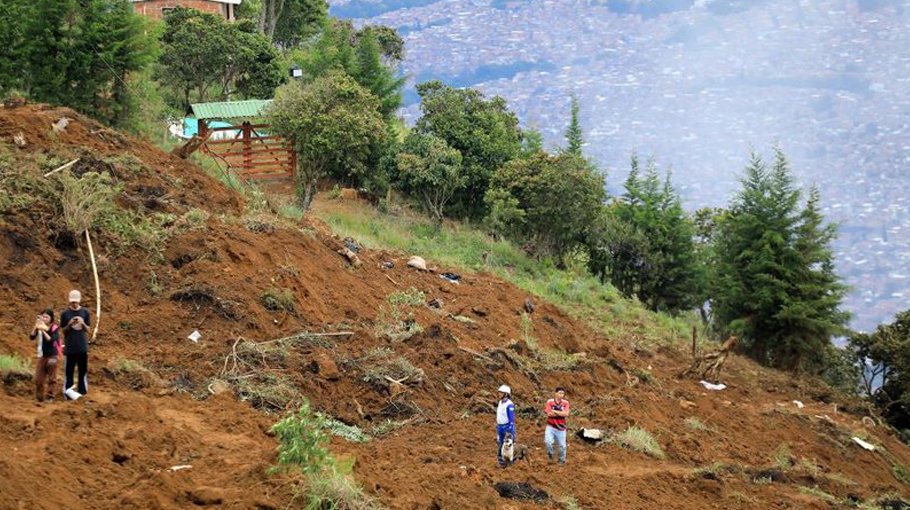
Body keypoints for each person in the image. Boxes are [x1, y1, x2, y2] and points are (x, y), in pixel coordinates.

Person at [60, 290, 90, 400]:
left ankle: (82, 393)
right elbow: (63, 331)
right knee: (69, 372)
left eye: (76, 302)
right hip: (70, 348)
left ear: (79, 300)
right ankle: (68, 393)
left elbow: (88, 329)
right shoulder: (65, 314)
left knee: (82, 372)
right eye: (72, 302)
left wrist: (82, 324)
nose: (74, 303)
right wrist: (69, 324)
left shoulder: (85, 312)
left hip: (82, 347)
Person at [29, 309, 60, 402]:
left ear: (51, 318)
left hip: (52, 355)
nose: (44, 318)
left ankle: (50, 396)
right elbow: (31, 337)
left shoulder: (54, 327)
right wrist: (36, 327)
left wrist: (43, 330)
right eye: (43, 316)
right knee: (39, 378)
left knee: (52, 377)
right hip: (42, 356)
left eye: (47, 317)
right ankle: (39, 398)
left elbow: (51, 340)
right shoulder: (39, 326)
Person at [544, 386, 570, 465]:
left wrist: (555, 411)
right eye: (560, 393)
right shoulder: (550, 402)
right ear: (555, 393)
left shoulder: (566, 403)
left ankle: (561, 461)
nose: (561, 395)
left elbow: (566, 414)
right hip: (550, 426)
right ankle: (550, 456)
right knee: (548, 442)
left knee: (562, 446)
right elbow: (549, 414)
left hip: (561, 427)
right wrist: (560, 413)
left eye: (562, 393)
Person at [496, 384, 516, 467]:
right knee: (500, 444)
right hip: (500, 426)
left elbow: (511, 418)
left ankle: (511, 462)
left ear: (506, 394)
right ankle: (501, 462)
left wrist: (510, 429)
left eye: (501, 393)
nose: (499, 394)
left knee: (509, 445)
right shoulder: (500, 402)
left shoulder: (509, 404)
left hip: (507, 427)